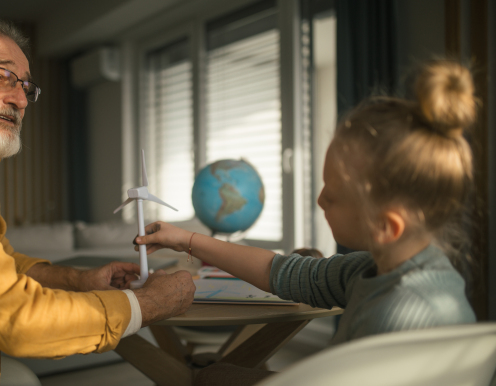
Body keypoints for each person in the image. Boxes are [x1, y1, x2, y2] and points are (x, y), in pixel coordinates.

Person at [0, 11, 195, 385]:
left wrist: (74, 279)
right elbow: (17, 320)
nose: (20, 99)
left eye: (24, 85)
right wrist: (148, 304)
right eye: (0, 75)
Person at [135, 60, 478, 384]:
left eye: (332, 195)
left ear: (386, 226)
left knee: (210, 378)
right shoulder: (381, 269)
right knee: (215, 375)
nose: (319, 200)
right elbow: (284, 272)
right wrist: (187, 239)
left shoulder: (399, 314)